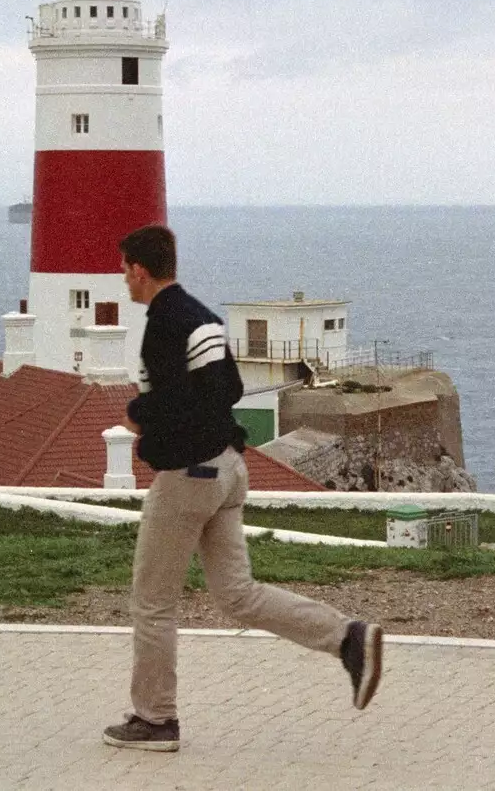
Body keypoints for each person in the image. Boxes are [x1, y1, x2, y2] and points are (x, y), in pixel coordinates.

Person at [102, 224, 384, 752]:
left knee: (154, 602)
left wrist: (139, 413)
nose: (124, 280)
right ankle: (347, 638)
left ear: (139, 269)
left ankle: (156, 720)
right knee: (238, 594)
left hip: (188, 477)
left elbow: (178, 401)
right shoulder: (201, 317)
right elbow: (227, 389)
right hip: (229, 468)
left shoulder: (163, 324)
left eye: (124, 269)